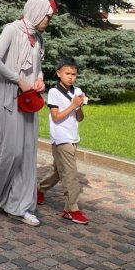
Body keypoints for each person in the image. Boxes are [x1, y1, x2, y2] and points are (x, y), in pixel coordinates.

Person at [0, 0, 56, 227]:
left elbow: (38, 69)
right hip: (9, 95)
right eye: (47, 16)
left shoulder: (38, 38)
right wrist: (19, 80)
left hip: (29, 99)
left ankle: (18, 205)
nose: (48, 21)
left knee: (27, 153)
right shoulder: (11, 30)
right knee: (10, 150)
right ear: (37, 12)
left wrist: (39, 80)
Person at [37, 57, 88, 224]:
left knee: (59, 171)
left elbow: (79, 118)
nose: (70, 77)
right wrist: (73, 105)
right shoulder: (54, 92)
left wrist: (79, 106)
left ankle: (40, 190)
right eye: (67, 73)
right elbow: (56, 117)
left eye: (74, 74)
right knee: (71, 175)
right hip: (60, 138)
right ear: (59, 73)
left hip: (73, 137)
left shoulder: (77, 91)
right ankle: (71, 209)